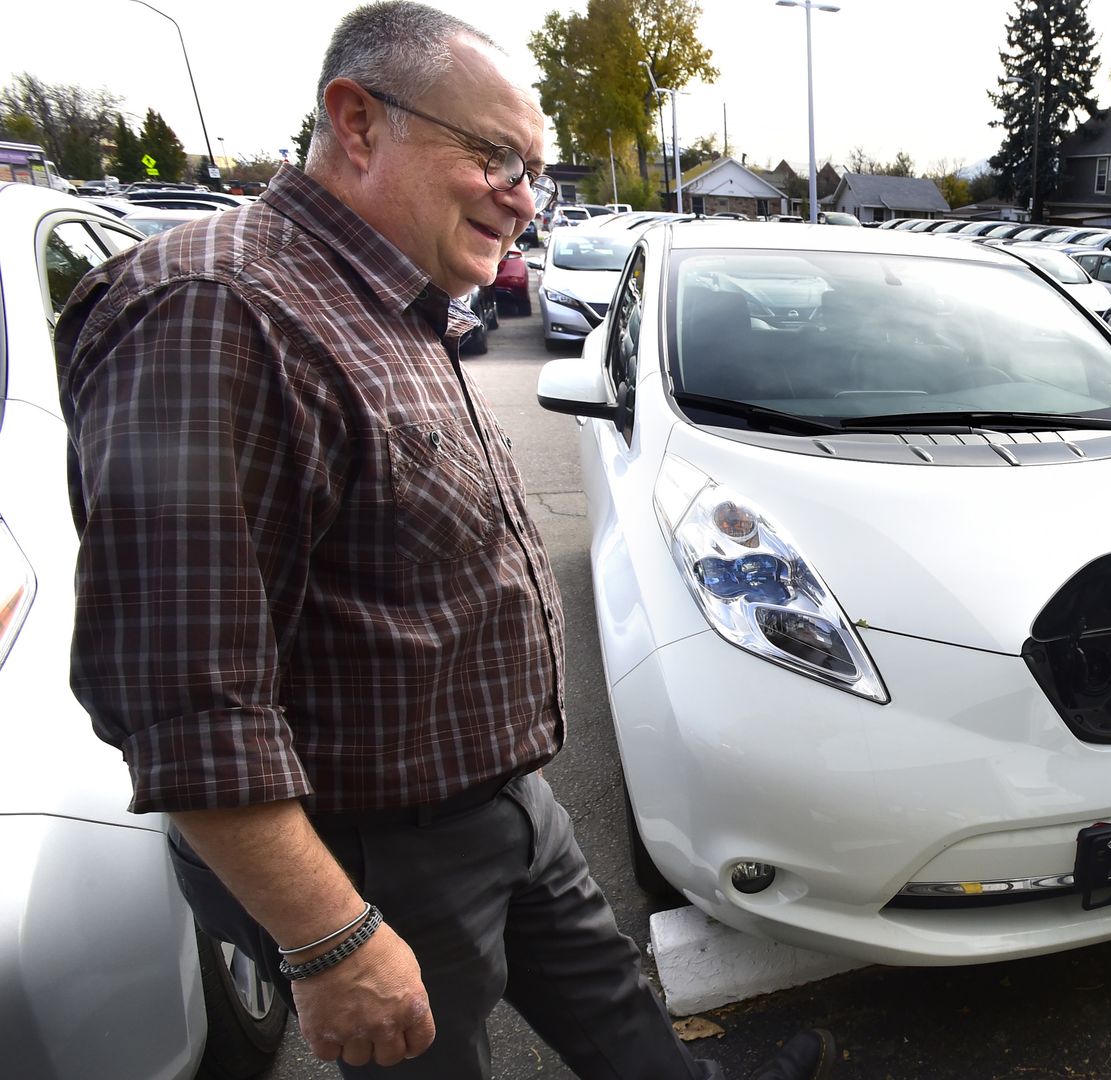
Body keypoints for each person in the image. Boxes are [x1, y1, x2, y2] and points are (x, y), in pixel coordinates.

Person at [55, 4, 832, 1078]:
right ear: (357, 121)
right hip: (376, 852)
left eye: (534, 170)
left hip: (501, 798)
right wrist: (332, 940)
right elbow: (186, 700)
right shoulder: (219, 312)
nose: (524, 197)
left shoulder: (384, 298)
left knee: (619, 1017)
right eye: (494, 156)